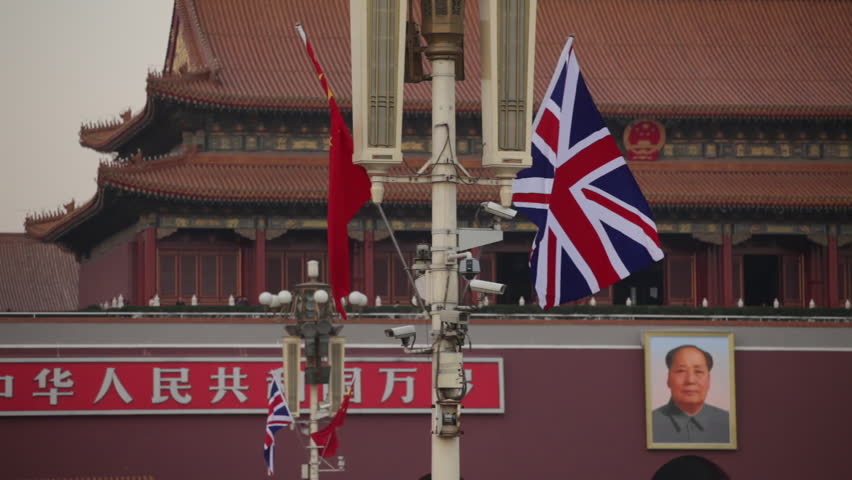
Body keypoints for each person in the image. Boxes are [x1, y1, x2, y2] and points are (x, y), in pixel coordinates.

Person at [651, 344, 730, 443]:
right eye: (681, 371)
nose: (690, 380)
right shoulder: (650, 423)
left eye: (698, 371)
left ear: (709, 380)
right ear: (668, 379)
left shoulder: (728, 422)